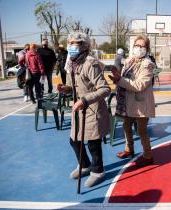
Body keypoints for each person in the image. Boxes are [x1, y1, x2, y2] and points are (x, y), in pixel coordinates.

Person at [57, 31, 110, 188]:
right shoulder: (72, 62)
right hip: (79, 108)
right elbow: (79, 86)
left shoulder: (90, 63)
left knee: (93, 143)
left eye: (76, 43)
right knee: (74, 140)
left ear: (85, 46)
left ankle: (98, 171)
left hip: (92, 109)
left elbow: (105, 89)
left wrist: (84, 99)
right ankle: (85, 165)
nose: (72, 45)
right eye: (70, 42)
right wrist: (67, 89)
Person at [109, 35, 156, 167]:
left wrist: (120, 80)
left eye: (142, 46)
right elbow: (124, 78)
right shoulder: (129, 61)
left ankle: (148, 156)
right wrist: (117, 78)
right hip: (127, 103)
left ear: (147, 49)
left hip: (141, 104)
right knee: (126, 126)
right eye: (137, 45)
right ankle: (129, 149)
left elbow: (139, 85)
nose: (139, 48)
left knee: (141, 131)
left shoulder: (148, 65)